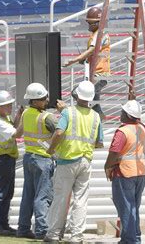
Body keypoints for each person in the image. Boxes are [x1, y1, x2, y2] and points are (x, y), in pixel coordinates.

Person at [44, 80, 104, 243]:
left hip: (67, 160)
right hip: (85, 161)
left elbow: (58, 133)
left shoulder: (68, 112)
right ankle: (76, 236)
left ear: (76, 95)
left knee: (61, 198)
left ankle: (54, 234)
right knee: (81, 200)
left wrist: (51, 149)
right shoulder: (96, 116)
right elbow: (99, 143)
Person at [17, 83, 56, 240]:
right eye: (43, 98)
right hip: (42, 160)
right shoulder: (47, 117)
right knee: (42, 196)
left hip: (29, 158)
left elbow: (18, 132)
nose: (47, 100)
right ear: (34, 101)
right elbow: (61, 132)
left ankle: (23, 228)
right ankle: (42, 230)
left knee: (28, 194)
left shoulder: (26, 113)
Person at [104, 99, 145, 244]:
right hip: (140, 174)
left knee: (126, 208)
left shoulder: (122, 132)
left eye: (122, 112)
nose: (120, 114)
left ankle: (129, 240)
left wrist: (107, 167)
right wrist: (132, 98)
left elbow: (114, 153)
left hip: (124, 174)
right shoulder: (141, 128)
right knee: (134, 207)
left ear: (127, 115)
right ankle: (135, 237)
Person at [0, 90, 23, 236]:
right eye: (6, 105)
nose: (10, 108)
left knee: (6, 193)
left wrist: (19, 116)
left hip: (6, 159)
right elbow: (17, 134)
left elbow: (14, 126)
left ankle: (2, 224)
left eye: (10, 105)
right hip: (2, 159)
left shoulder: (4, 119)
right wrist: (28, 119)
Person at [63, 6, 110, 119]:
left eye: (91, 23)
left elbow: (92, 50)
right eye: (89, 23)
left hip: (99, 74)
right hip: (97, 73)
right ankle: (99, 118)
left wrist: (74, 59)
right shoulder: (98, 34)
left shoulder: (100, 35)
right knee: (95, 103)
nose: (89, 26)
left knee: (77, 93)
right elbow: (94, 53)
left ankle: (90, 118)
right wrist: (85, 60)